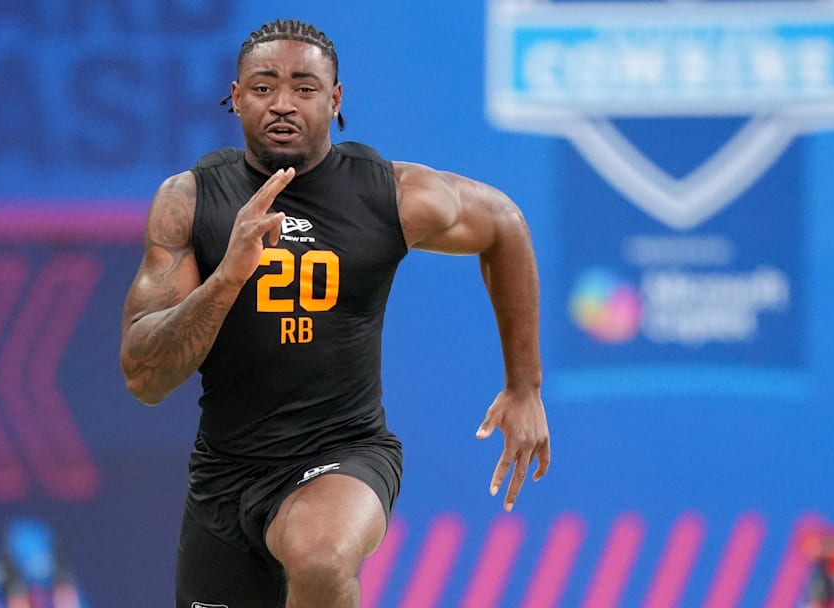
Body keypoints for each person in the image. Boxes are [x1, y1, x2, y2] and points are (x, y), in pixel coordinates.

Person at [119, 18, 550, 608]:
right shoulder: (191, 201)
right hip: (224, 476)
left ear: (335, 99)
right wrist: (229, 276)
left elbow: (503, 222)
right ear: (237, 96)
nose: (283, 104)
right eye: (264, 87)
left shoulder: (390, 194)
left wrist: (524, 385)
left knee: (320, 558)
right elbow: (144, 377)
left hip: (343, 453)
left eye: (305, 87)